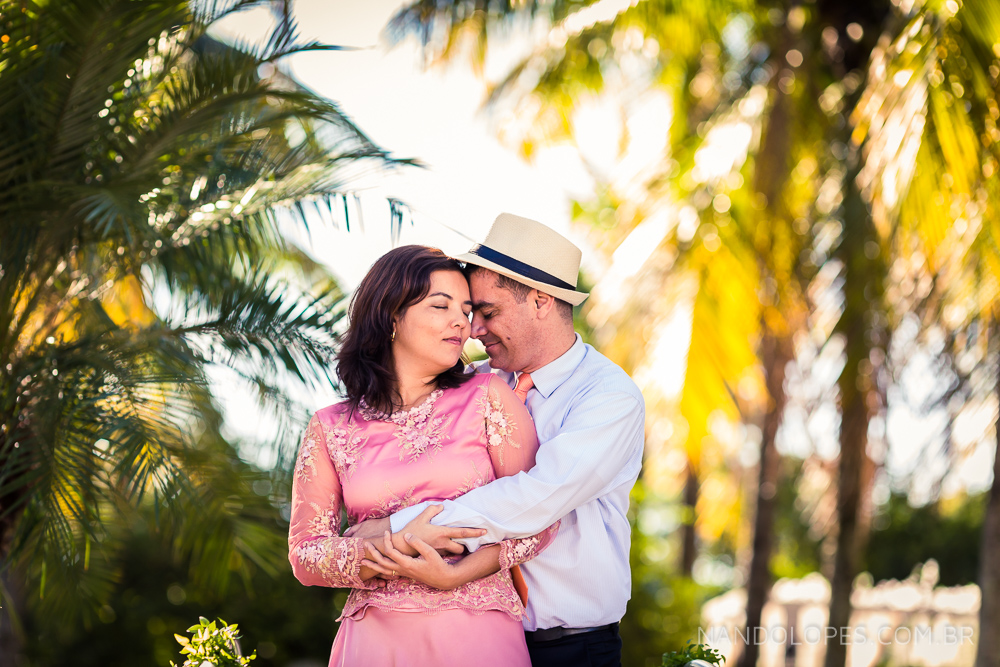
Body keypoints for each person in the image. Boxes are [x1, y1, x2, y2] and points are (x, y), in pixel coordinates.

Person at [354, 213, 646, 667]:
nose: (472, 330)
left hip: (570, 648)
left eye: (487, 313)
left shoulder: (609, 397)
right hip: (472, 642)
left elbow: (536, 497)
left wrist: (397, 527)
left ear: (540, 301)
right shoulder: (473, 385)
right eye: (471, 314)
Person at [287, 245, 558, 666]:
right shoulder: (330, 426)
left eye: (465, 309)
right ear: (392, 315)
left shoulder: (488, 396)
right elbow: (305, 556)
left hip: (478, 637)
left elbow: (542, 518)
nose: (462, 323)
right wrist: (399, 546)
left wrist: (451, 571)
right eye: (440, 305)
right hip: (374, 643)